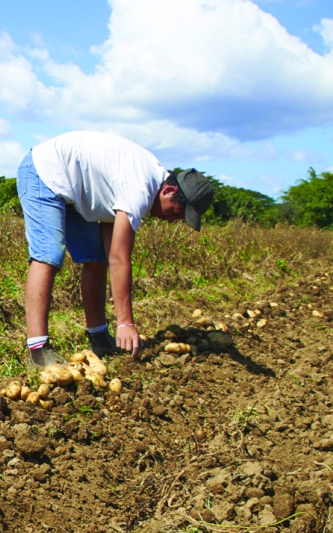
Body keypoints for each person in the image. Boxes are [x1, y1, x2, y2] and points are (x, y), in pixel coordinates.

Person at [16, 131, 215, 367]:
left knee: (97, 258)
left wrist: (123, 322)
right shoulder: (139, 188)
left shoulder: (144, 182)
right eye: (175, 213)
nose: (172, 220)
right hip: (45, 172)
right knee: (49, 255)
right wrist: (125, 323)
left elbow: (112, 254)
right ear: (169, 191)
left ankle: (99, 337)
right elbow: (120, 258)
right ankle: (38, 349)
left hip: (75, 189)